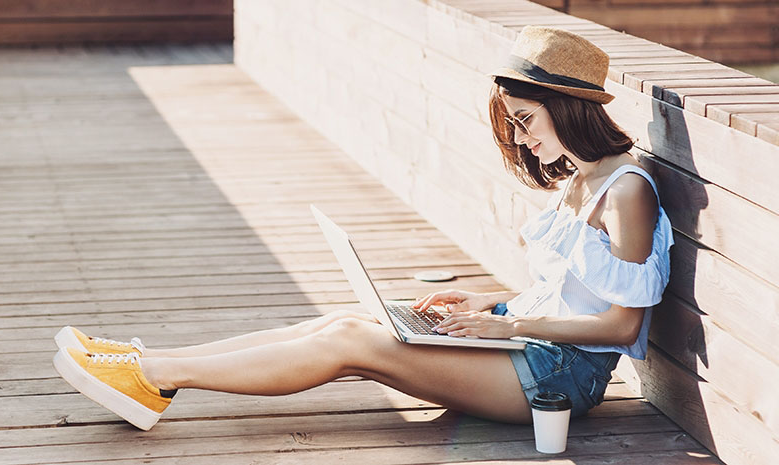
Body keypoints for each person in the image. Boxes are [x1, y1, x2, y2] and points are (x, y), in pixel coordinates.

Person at [52, 25, 673, 431]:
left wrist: (507, 324)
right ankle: (147, 363)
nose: (518, 135)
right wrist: (491, 302)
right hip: (529, 347)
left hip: (559, 377)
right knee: (345, 322)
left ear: (566, 108)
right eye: (513, 121)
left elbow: (621, 324)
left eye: (524, 118)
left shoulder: (626, 193)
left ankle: (154, 379)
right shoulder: (581, 178)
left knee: (354, 345)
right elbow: (574, 290)